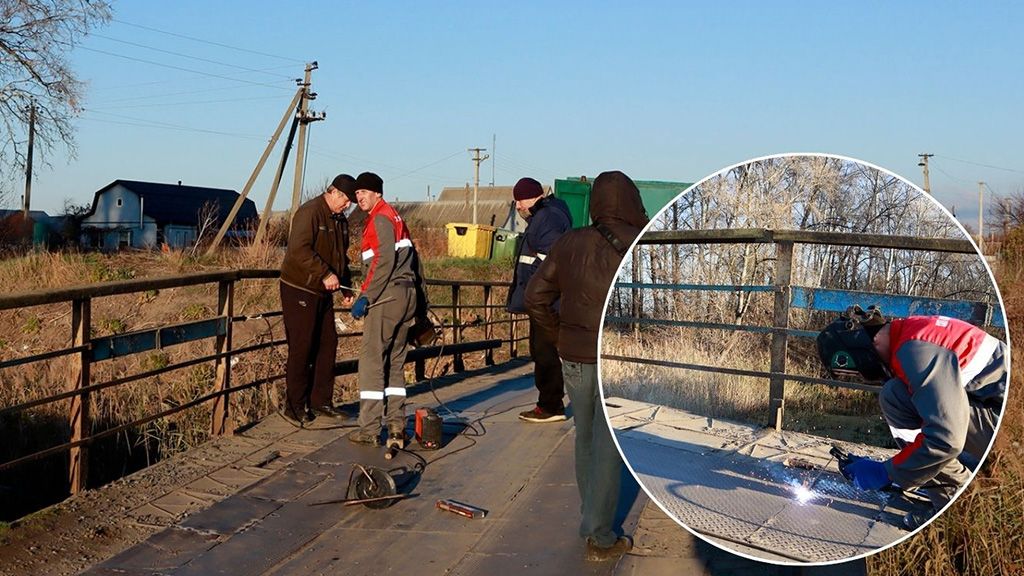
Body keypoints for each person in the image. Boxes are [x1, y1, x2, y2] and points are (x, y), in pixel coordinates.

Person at [525, 170, 648, 561]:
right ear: (631, 199)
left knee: (586, 436)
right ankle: (600, 535)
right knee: (610, 443)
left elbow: (535, 297)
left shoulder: (570, 242)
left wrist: (559, 334)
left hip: (575, 354)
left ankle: (590, 515)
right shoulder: (640, 244)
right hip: (617, 358)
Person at [817, 305, 1006, 529]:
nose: (864, 379)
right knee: (896, 394)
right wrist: (897, 468)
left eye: (856, 373)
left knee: (899, 400)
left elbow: (946, 438)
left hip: (1009, 429)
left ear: (863, 351)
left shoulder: (915, 352)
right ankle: (947, 478)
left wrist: (886, 472)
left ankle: (957, 505)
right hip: (993, 408)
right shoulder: (908, 335)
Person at [348, 172, 419, 447]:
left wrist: (366, 295)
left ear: (377, 193)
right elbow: (414, 259)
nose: (360, 198)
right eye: (356, 195)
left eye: (364, 192)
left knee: (372, 362)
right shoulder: (395, 216)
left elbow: (383, 261)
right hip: (406, 295)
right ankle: (397, 427)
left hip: (387, 297)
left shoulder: (379, 218)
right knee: (396, 363)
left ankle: (368, 430)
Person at [278, 174, 356, 426]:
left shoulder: (340, 220)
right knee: (302, 347)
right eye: (345, 200)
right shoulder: (310, 212)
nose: (347, 205)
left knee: (327, 344)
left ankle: (321, 401)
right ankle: (295, 405)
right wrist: (324, 273)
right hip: (300, 288)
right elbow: (298, 249)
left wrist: (346, 286)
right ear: (332, 192)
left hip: (323, 291)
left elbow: (340, 255)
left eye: (351, 202)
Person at [507, 177, 573, 423]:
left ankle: (550, 406)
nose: (518, 206)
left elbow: (550, 262)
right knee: (542, 350)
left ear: (533, 197)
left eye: (520, 200)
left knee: (545, 352)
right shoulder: (546, 216)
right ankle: (549, 403)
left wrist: (535, 292)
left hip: (545, 301)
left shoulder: (547, 219)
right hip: (543, 299)